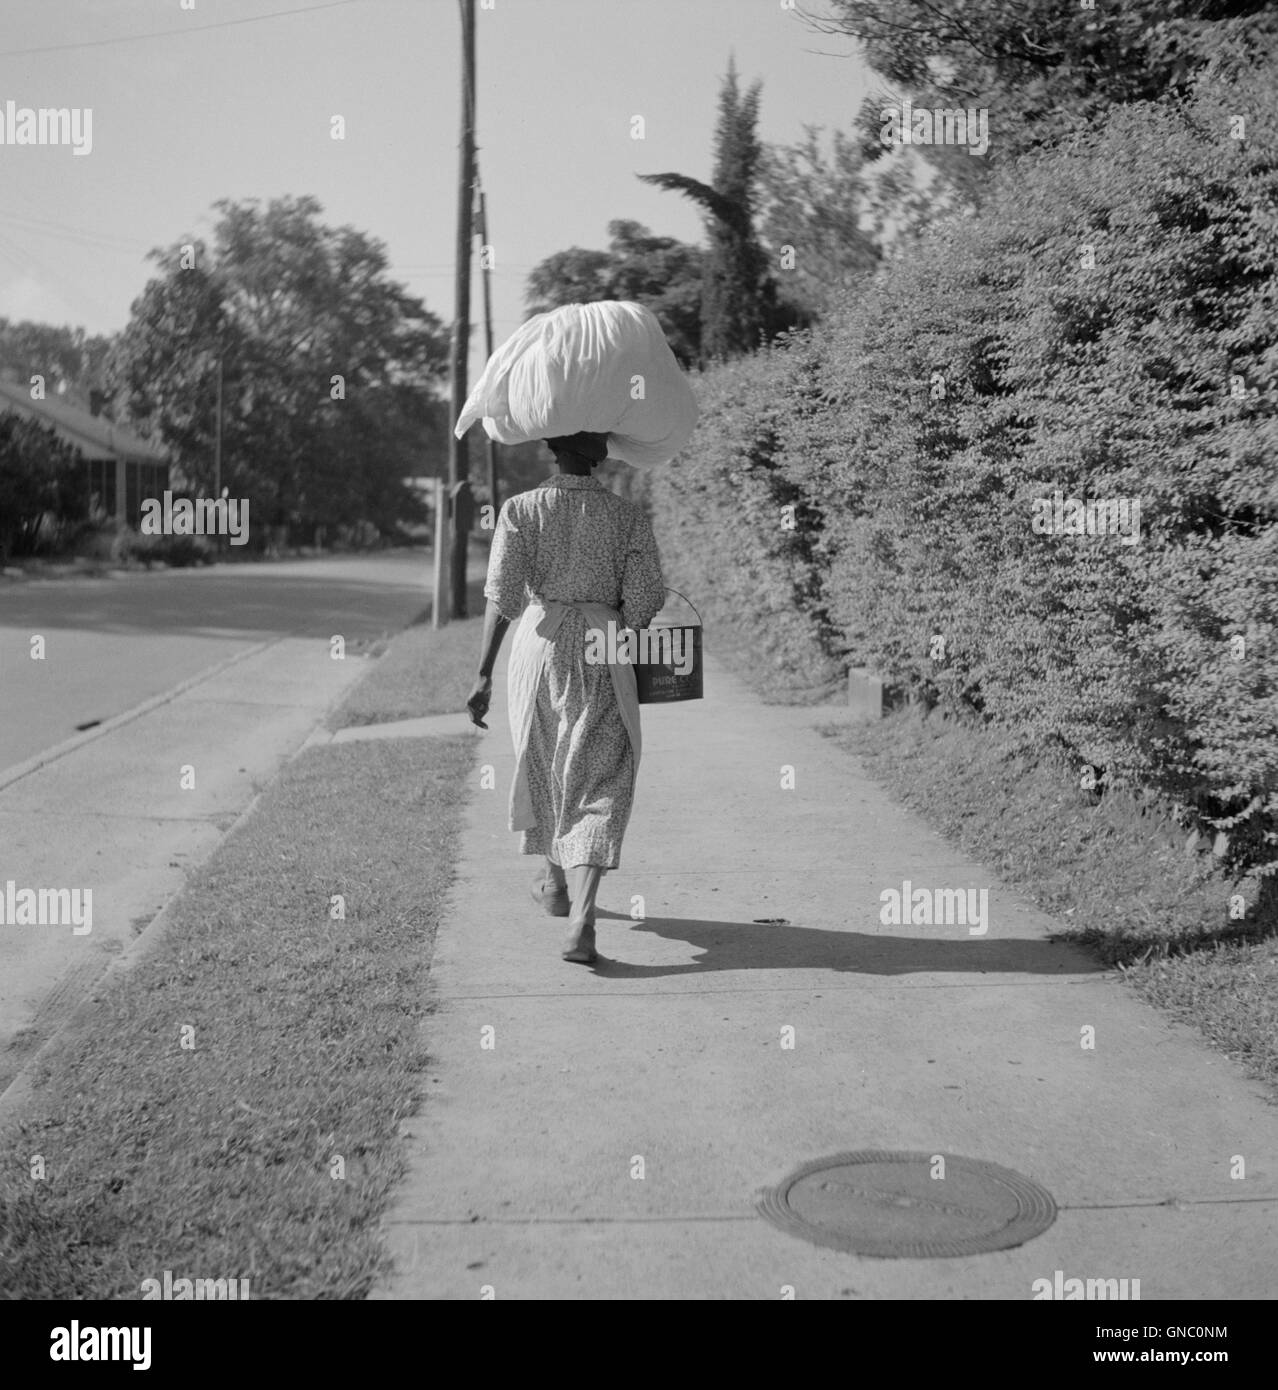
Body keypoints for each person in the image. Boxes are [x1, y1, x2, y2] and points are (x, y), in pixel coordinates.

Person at [465, 430, 666, 965]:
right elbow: (646, 601)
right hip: (604, 646)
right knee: (600, 776)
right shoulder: (628, 517)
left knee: (549, 761)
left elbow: (502, 596)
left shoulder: (521, 510)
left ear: (552, 451)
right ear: (601, 457)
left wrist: (483, 674)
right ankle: (579, 915)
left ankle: (555, 882)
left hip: (540, 649)